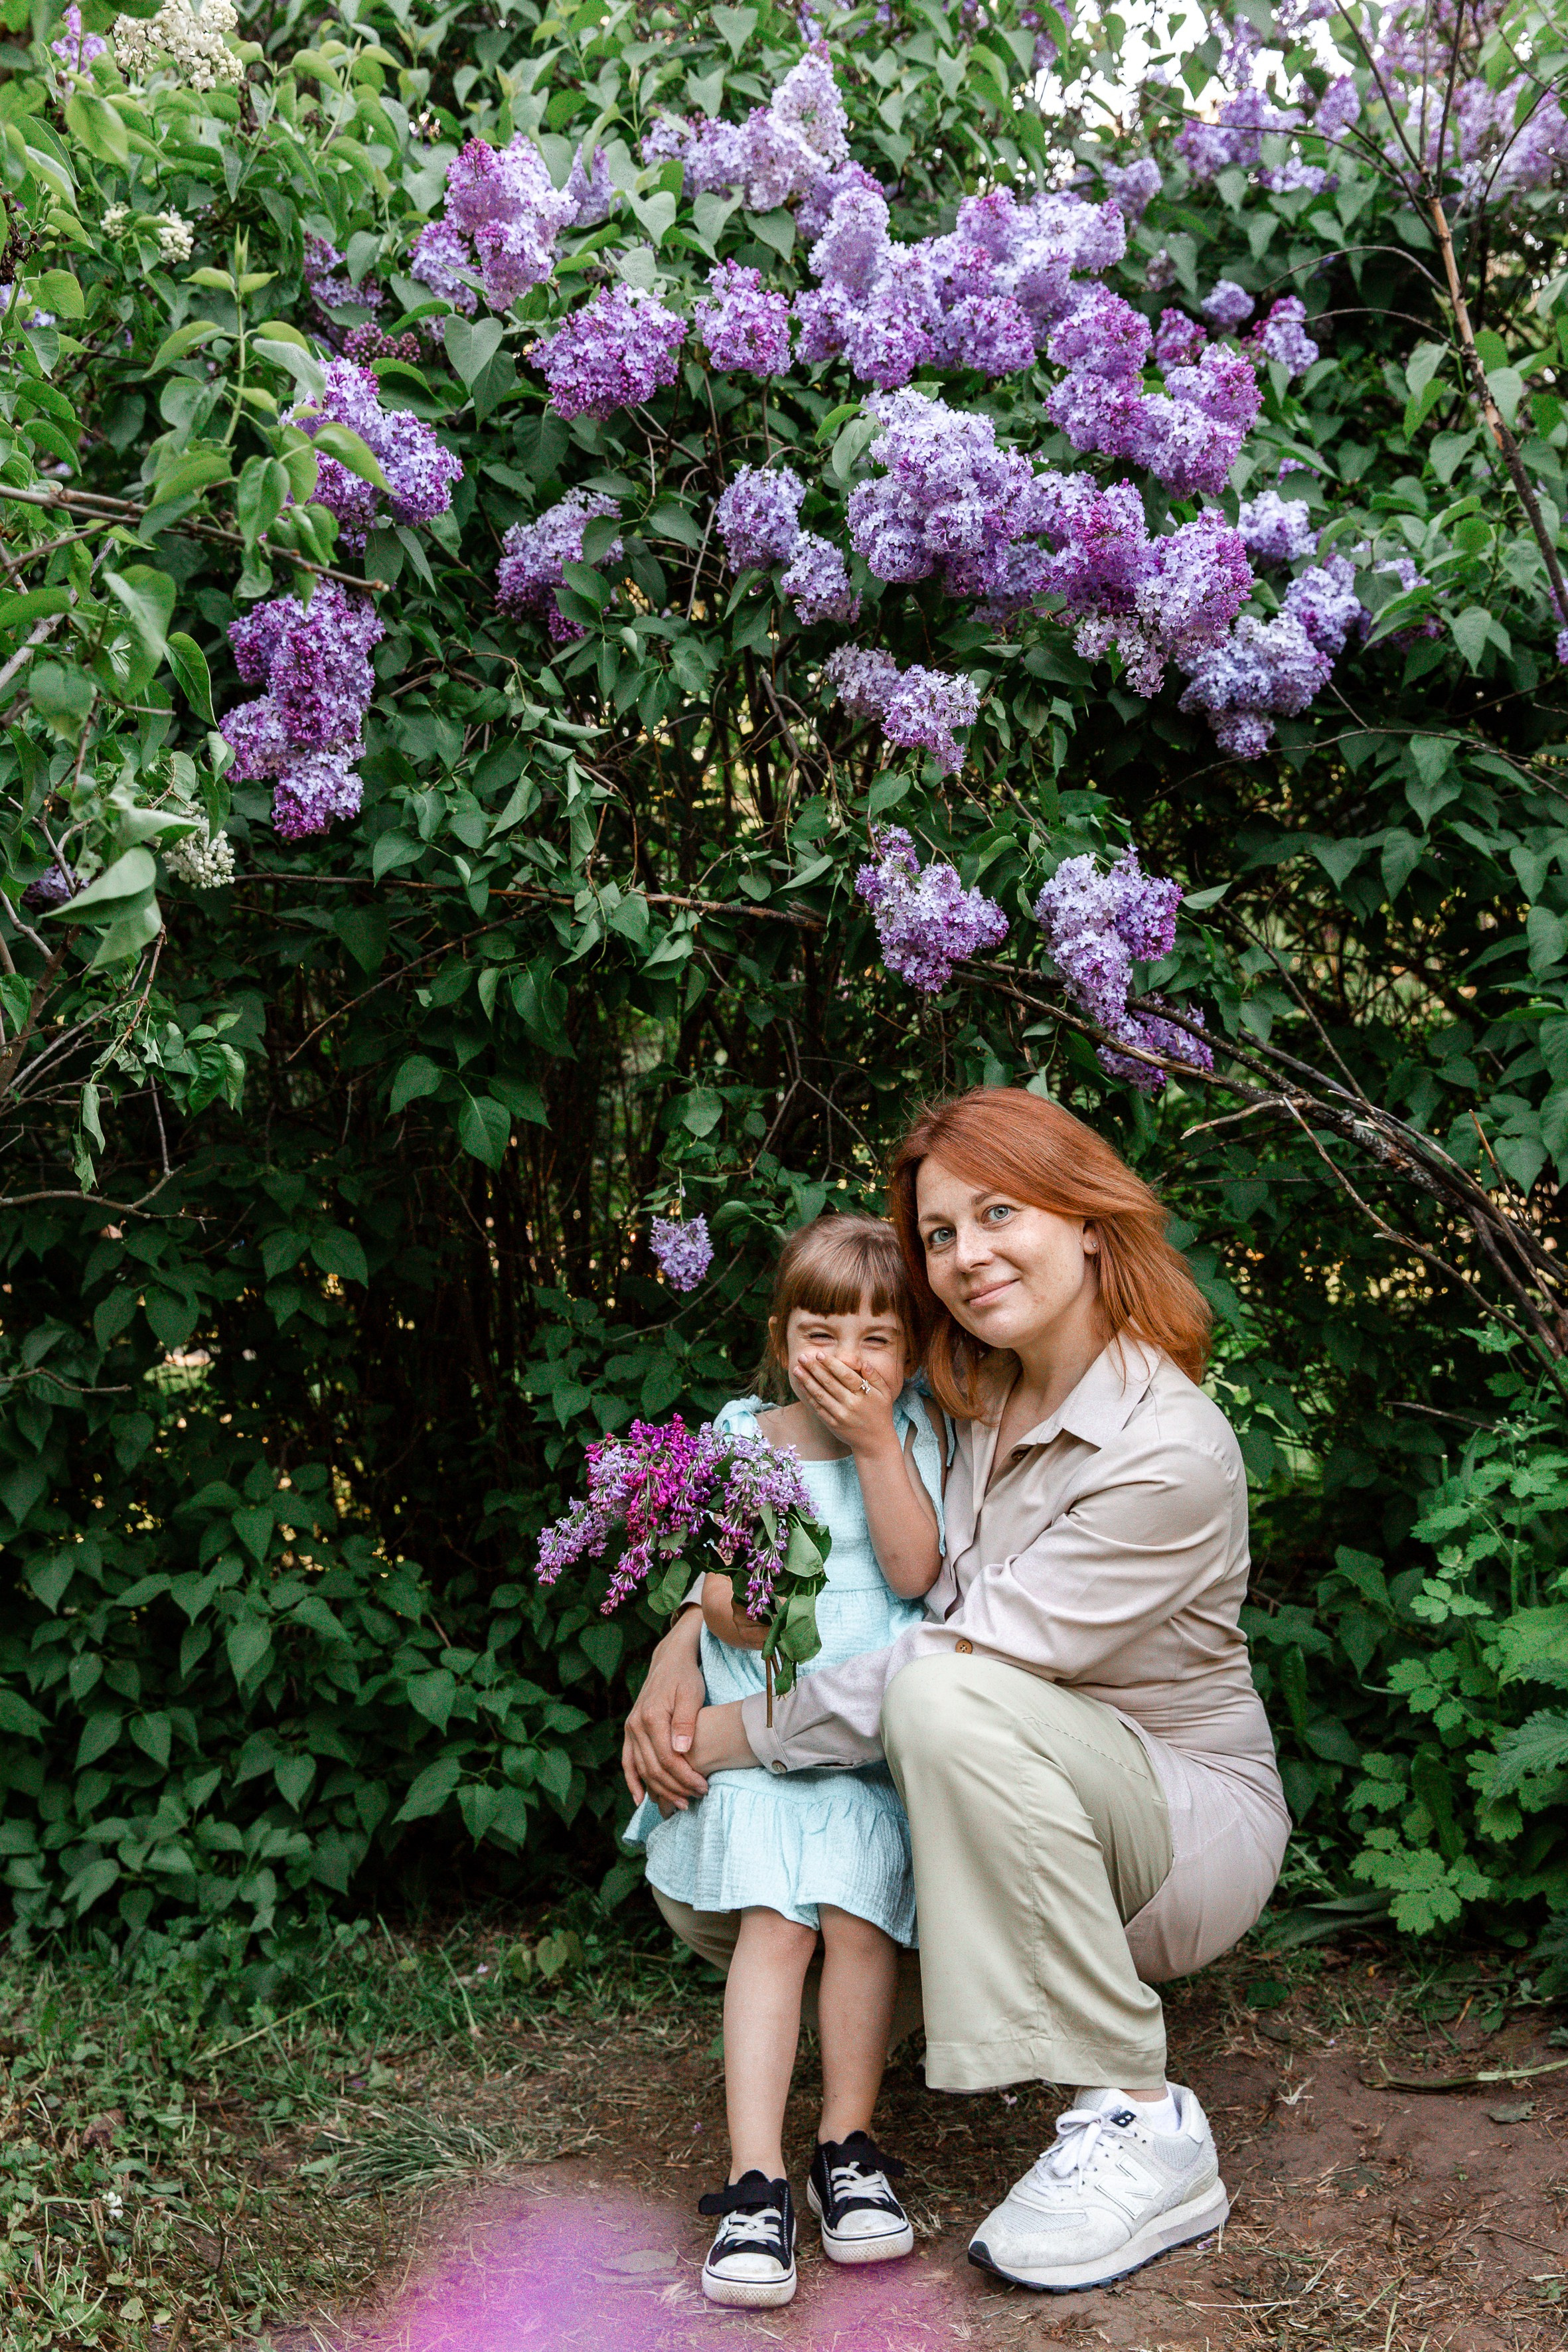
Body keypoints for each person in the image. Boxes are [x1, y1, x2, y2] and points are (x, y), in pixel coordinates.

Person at [624, 1087, 1290, 2298]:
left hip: (1171, 1818)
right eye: (939, 1232)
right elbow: (807, 1534)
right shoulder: (955, 1389)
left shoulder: (1165, 1450)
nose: (966, 1254)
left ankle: (1141, 2119)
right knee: (798, 1865)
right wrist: (682, 1634)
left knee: (939, 1699)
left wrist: (729, 1734)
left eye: (999, 1213)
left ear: (1086, 1221)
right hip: (977, 1789)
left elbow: (951, 1661)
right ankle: (815, 2134)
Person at [623, 1212, 947, 2310]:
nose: (846, 1362)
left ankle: (845, 2149)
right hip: (759, 1744)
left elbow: (913, 1571)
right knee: (778, 1923)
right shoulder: (741, 1435)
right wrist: (742, 1605)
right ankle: (753, 2180)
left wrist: (875, 1445)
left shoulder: (912, 1434)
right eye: (820, 1334)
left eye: (876, 1340)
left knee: (855, 1919)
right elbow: (722, 1594)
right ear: (780, 1337)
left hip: (861, 1753)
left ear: (909, 1352)